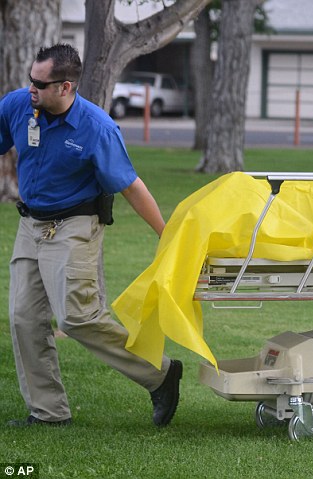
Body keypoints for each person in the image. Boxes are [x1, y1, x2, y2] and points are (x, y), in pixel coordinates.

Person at [0, 44, 182, 428]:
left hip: (75, 224)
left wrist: (166, 235)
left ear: (65, 87)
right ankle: (48, 412)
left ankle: (161, 374)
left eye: (39, 83)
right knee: (23, 318)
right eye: (29, 79)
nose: (29, 88)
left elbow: (131, 186)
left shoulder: (97, 129)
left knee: (77, 318)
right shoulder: (17, 105)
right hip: (31, 223)